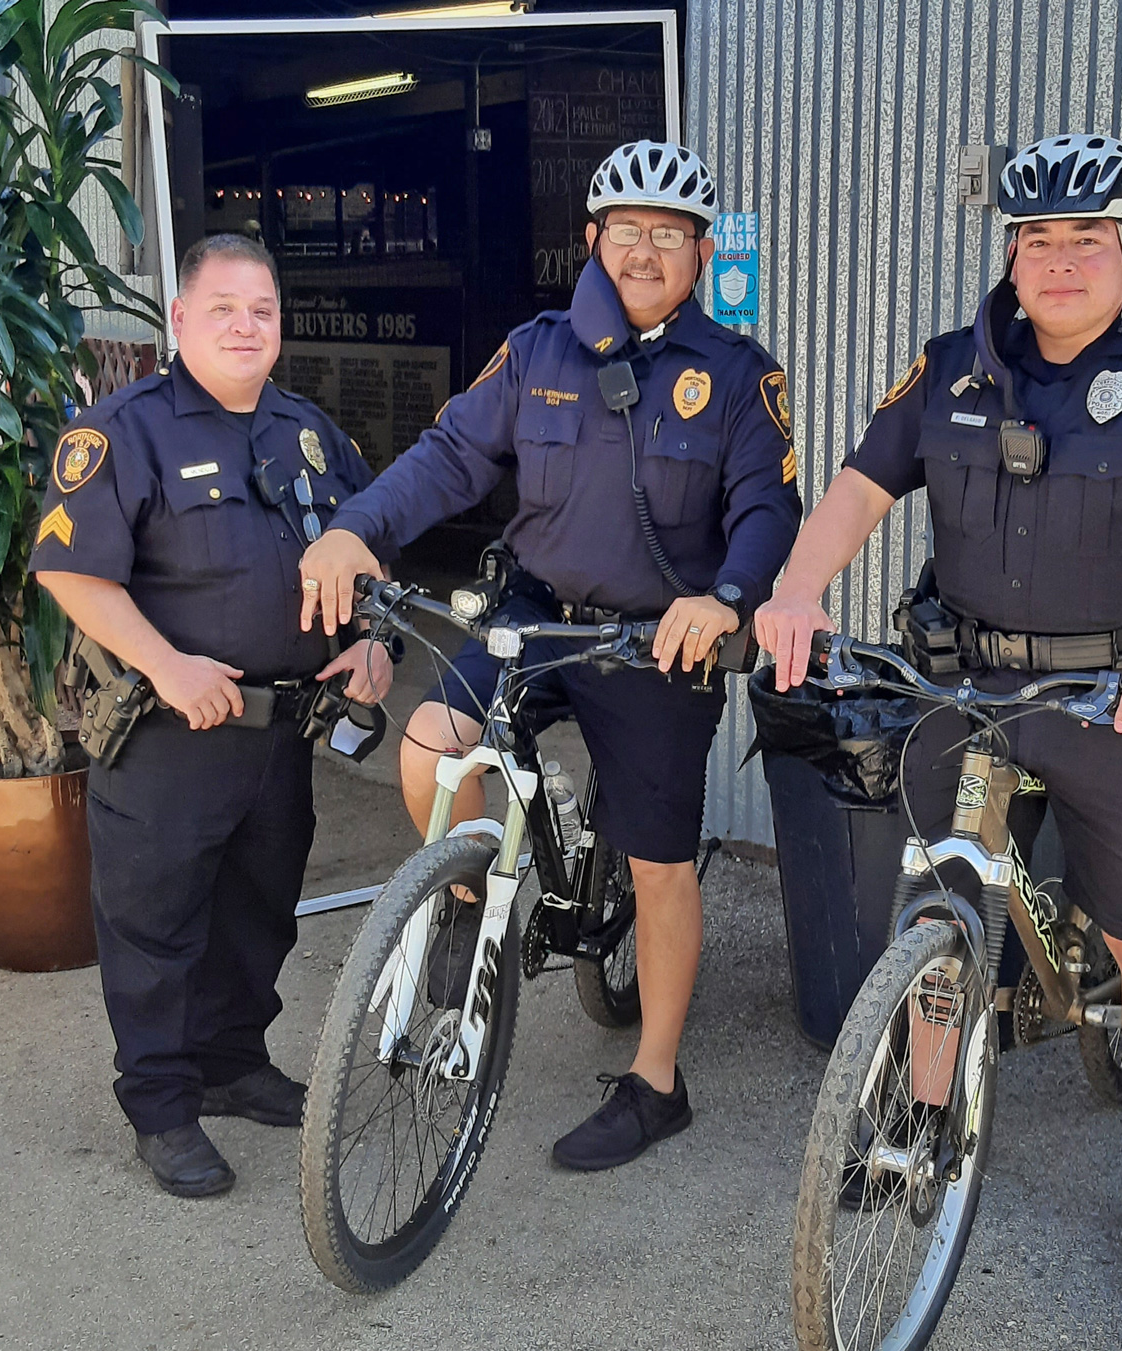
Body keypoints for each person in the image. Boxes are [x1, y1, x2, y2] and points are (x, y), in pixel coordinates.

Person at [755, 133, 1122, 1299]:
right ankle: (922, 1127)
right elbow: (856, 488)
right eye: (1038, 240)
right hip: (966, 691)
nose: (1060, 261)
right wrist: (797, 592)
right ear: (1012, 255)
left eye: (1088, 239)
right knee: (940, 915)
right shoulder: (950, 370)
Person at [298, 140, 801, 1170]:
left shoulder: (740, 377)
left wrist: (727, 598)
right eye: (628, 231)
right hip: (534, 609)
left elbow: (766, 507)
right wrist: (359, 528)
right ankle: (469, 894)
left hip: (658, 638)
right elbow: (448, 458)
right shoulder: (536, 353)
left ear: (701, 254)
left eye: (669, 234)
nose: (646, 250)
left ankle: (658, 1080)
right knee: (432, 752)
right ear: (593, 240)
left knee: (658, 866)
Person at [33, 234, 391, 1198]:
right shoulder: (122, 432)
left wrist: (373, 642)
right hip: (168, 734)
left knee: (257, 913)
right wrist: (166, 663)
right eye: (223, 308)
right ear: (180, 320)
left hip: (280, 734)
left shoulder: (313, 433)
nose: (245, 325)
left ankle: (231, 1063)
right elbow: (71, 571)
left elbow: (370, 553)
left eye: (263, 310)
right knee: (155, 927)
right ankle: (160, 1104)